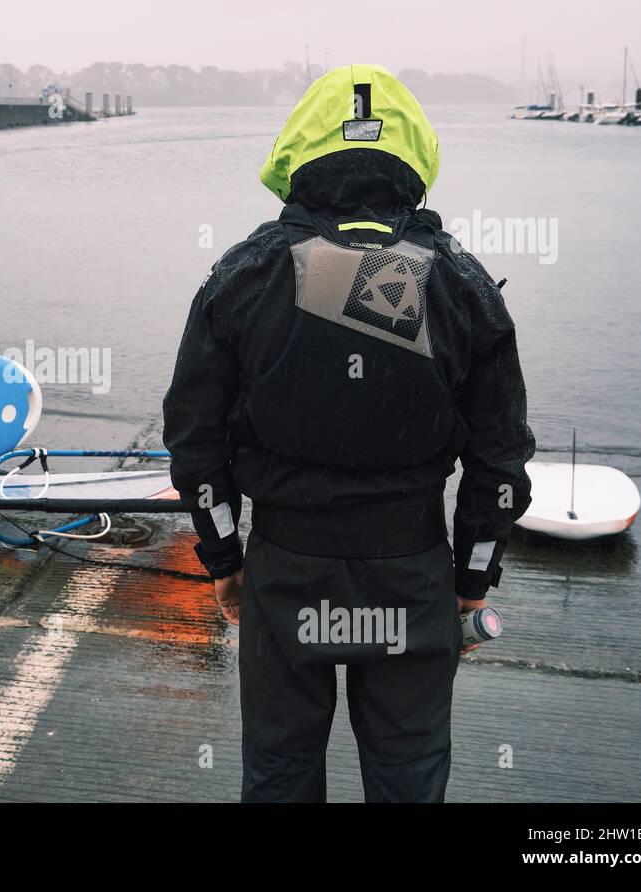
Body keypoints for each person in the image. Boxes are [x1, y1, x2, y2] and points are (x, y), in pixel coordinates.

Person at [162, 64, 534, 802]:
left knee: (279, 773)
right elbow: (499, 457)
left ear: (299, 155)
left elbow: (194, 439)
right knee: (408, 777)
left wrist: (222, 555)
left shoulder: (241, 277)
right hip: (411, 569)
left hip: (285, 570)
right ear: (413, 159)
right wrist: (472, 578)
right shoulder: (464, 283)